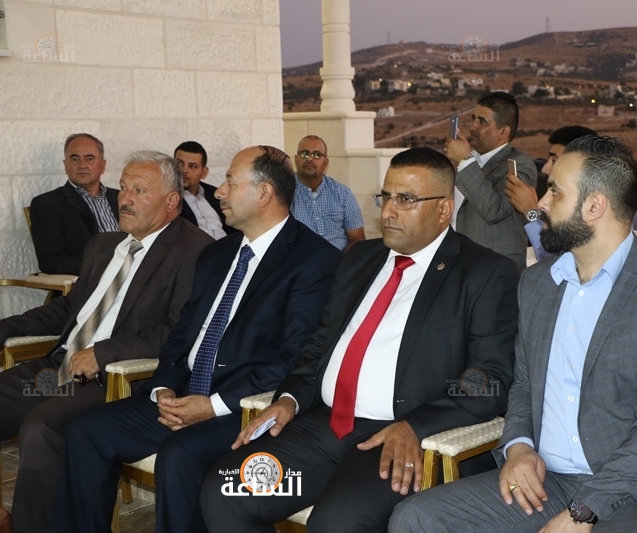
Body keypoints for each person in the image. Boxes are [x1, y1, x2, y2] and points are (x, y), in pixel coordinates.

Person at [390, 136, 637, 533]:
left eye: (555, 192)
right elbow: (524, 387)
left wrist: (585, 510)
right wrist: (519, 447)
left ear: (594, 206)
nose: (541, 203)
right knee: (415, 519)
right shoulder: (538, 284)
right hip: (547, 480)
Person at [199, 147, 519, 532]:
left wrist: (417, 425)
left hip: (397, 437)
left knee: (337, 523)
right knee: (228, 492)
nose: (388, 212)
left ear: (443, 209)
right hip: (322, 429)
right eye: (386, 197)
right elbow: (319, 344)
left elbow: (488, 381)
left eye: (406, 199)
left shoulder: (483, 273)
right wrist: (289, 398)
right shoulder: (360, 258)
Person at [51, 146, 343, 533]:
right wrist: (164, 388)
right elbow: (181, 334)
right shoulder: (216, 254)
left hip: (242, 405)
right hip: (183, 393)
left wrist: (213, 405)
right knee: (86, 430)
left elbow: (296, 358)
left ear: (263, 193)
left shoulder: (314, 260)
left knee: (181, 454)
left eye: (230, 182)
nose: (218, 191)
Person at [0, 151, 213, 532]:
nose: (124, 198)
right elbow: (69, 309)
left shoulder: (195, 251)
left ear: (170, 201)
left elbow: (179, 331)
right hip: (58, 372)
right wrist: (1, 331)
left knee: (43, 427)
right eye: (123, 187)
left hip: (114, 381)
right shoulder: (104, 245)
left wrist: (104, 353)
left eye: (139, 190)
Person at [445, 91, 537, 270]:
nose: (473, 126)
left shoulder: (518, 164)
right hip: (461, 265)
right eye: (473, 119)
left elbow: (494, 210)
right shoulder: (471, 161)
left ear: (503, 132)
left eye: (482, 122)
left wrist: (464, 161)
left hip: (496, 268)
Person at [29, 133, 120, 275]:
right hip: (90, 280)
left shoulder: (122, 198)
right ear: (66, 165)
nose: (82, 165)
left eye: (89, 158)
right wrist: (99, 270)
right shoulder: (47, 204)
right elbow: (50, 260)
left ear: (102, 165)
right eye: (74, 159)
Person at [506, 125, 598, 261]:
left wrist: (530, 211)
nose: (545, 169)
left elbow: (553, 260)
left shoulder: (589, 208)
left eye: (554, 161)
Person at [291, 135, 365, 251]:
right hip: (301, 260)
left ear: (325, 162)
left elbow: (358, 240)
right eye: (304, 154)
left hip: (339, 259)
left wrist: (342, 260)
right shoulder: (283, 192)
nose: (309, 159)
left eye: (317, 155)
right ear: (296, 159)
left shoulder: (343, 193)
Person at [176, 140, 234, 239]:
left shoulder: (216, 194)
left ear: (204, 172)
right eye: (179, 163)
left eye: (192, 166)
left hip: (228, 246)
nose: (184, 170)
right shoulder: (167, 198)